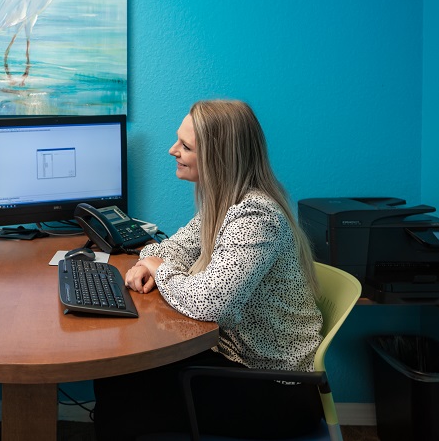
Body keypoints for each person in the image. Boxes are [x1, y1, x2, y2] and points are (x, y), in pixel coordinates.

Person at [93, 100, 324, 440]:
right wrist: (148, 261)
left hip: (276, 388)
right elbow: (176, 246)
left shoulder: (256, 218)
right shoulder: (225, 201)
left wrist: (162, 273)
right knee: (114, 374)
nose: (173, 150)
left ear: (219, 158)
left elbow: (211, 302)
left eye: (186, 147)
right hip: (233, 359)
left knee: (123, 402)